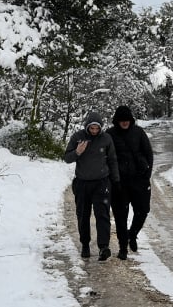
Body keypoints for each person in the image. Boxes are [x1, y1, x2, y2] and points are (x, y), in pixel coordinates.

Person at [64, 110, 120, 261]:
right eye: (92, 128)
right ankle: (85, 245)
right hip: (82, 183)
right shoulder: (78, 137)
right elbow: (67, 158)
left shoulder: (106, 139)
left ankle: (104, 247)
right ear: (87, 126)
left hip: (102, 183)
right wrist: (77, 152)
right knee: (83, 215)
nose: (94, 131)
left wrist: (115, 181)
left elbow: (113, 160)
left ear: (100, 127)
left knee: (102, 215)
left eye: (97, 128)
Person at [106, 105, 153, 259]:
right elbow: (105, 157)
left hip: (139, 179)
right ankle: (123, 248)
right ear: (117, 121)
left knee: (143, 210)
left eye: (127, 120)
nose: (124, 122)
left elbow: (148, 153)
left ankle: (132, 234)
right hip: (119, 182)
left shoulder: (139, 132)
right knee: (120, 215)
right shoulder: (110, 135)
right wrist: (111, 179)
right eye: (121, 120)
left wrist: (147, 175)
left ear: (131, 120)